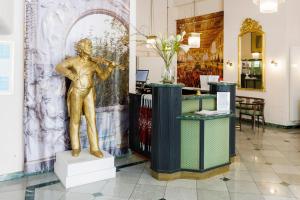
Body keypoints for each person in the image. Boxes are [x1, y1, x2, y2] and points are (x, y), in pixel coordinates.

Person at [56, 38, 116, 158]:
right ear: (81, 48)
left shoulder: (93, 64)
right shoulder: (73, 61)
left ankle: (94, 148)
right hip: (77, 92)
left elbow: (103, 77)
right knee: (75, 120)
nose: (90, 48)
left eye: (90, 46)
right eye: (88, 46)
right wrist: (71, 75)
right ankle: (76, 147)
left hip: (89, 92)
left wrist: (110, 67)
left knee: (92, 119)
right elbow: (59, 67)